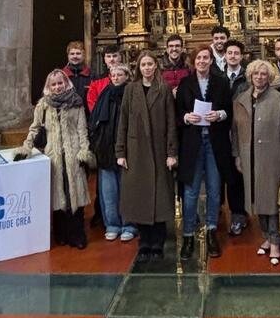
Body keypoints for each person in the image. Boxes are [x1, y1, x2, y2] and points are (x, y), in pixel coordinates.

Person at [16, 68, 93, 248]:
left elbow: (82, 130)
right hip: (53, 155)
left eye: (60, 83)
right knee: (57, 196)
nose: (58, 87)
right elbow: (34, 129)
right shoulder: (43, 105)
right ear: (49, 86)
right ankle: (61, 233)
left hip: (73, 154)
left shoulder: (76, 103)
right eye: (54, 84)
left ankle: (77, 234)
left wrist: (84, 151)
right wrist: (26, 148)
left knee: (75, 194)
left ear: (66, 83)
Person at [116, 50, 179, 260]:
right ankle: (144, 242)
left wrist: (172, 152)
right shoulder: (131, 90)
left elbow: (171, 122)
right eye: (143, 65)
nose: (147, 68)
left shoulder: (164, 89)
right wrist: (121, 151)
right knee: (139, 197)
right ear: (138, 68)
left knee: (160, 197)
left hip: (159, 150)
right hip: (136, 151)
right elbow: (123, 121)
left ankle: (158, 242)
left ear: (156, 66)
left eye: (150, 64)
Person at [232, 59, 280, 266]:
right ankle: (267, 236)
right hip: (249, 155)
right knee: (257, 200)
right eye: (256, 74)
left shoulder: (278, 99)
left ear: (269, 77)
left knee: (271, 200)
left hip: (272, 155)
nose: (259, 77)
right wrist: (237, 155)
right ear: (250, 76)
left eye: (263, 74)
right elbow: (235, 131)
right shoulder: (241, 99)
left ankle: (275, 241)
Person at [175, 45, 233, 259]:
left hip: (215, 142)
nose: (202, 61)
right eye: (198, 58)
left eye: (205, 58)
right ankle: (188, 234)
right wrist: (185, 118)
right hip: (192, 142)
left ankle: (211, 231)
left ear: (211, 61)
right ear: (193, 61)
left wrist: (220, 114)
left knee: (214, 189)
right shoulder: (185, 84)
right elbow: (177, 113)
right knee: (190, 191)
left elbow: (230, 109)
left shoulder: (221, 83)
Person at [88, 62, 136, 241]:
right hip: (106, 149)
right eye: (113, 75)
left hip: (127, 149)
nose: (115, 78)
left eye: (119, 75)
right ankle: (112, 224)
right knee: (109, 191)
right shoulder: (104, 95)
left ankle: (129, 224)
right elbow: (95, 121)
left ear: (127, 76)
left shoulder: (131, 94)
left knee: (127, 190)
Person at [222, 39, 249, 234]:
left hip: (242, 129)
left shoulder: (248, 77)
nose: (232, 56)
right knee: (225, 174)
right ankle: (217, 212)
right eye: (229, 53)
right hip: (221, 130)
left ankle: (239, 214)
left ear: (241, 56)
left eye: (236, 53)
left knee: (238, 175)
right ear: (224, 55)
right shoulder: (217, 76)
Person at [87, 46, 123, 112]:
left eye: (115, 56)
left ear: (120, 57)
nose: (112, 59)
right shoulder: (97, 81)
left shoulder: (128, 78)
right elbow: (92, 101)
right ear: (104, 59)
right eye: (108, 56)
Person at [62, 41, 93, 110]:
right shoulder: (61, 76)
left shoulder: (92, 76)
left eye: (78, 53)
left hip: (87, 117)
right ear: (68, 56)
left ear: (84, 55)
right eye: (72, 54)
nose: (75, 56)